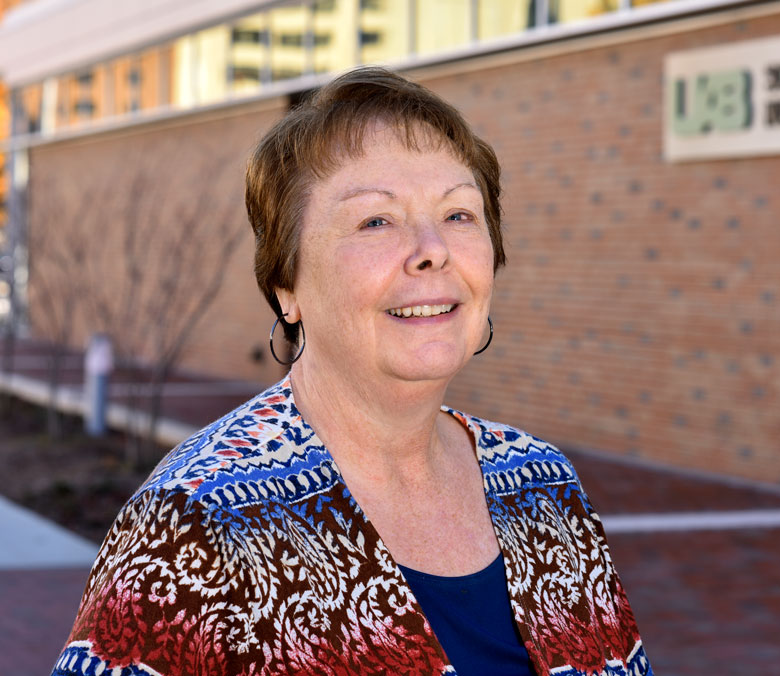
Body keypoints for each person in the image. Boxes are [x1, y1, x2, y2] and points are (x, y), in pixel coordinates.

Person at [52, 67, 651, 676]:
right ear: (286, 286)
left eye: (458, 215)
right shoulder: (198, 524)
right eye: (375, 221)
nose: (433, 249)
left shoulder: (543, 485)